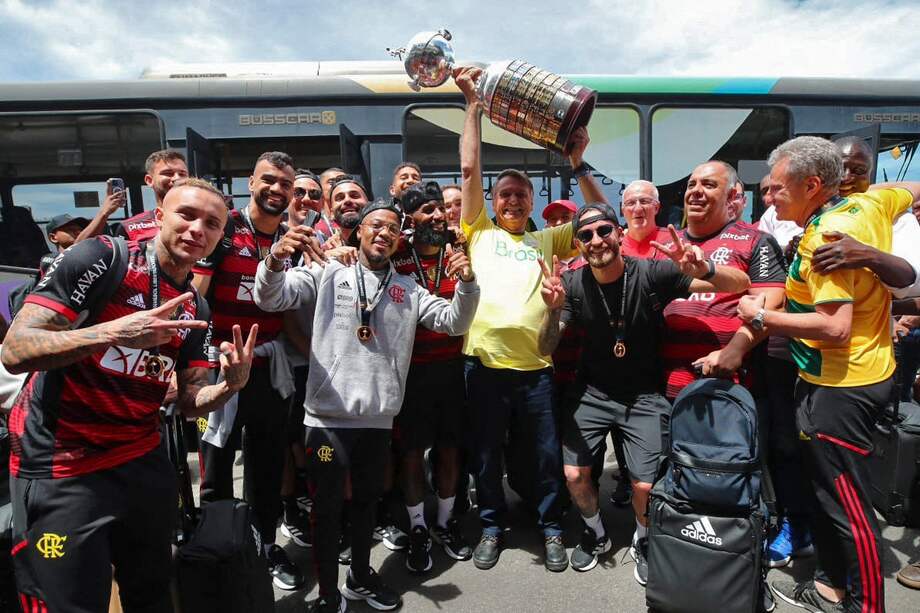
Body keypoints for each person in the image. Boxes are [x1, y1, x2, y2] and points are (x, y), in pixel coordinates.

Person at [2, 178, 256, 612]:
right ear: (159, 216)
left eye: (212, 224)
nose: (198, 229)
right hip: (62, 463)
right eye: (187, 215)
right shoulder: (102, 258)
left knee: (153, 593)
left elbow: (189, 399)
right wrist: (115, 331)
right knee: (70, 602)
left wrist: (230, 385)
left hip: (141, 459)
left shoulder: (195, 306)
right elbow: (15, 349)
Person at [253, 198, 479, 613]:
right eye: (376, 225)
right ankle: (327, 594)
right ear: (359, 231)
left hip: (377, 420)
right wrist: (274, 259)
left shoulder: (408, 289)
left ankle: (359, 576)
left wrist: (466, 283)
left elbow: (455, 323)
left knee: (366, 506)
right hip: (326, 419)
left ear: (399, 239)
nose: (384, 233)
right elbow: (270, 299)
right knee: (326, 509)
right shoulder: (327, 270)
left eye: (393, 229)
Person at [738, 135, 920, 613]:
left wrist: (759, 317)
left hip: (841, 386)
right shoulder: (873, 200)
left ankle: (866, 605)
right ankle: (831, 587)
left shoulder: (826, 237)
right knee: (828, 494)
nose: (768, 197)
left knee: (848, 507)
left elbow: (834, 326)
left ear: (814, 185)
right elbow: (913, 190)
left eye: (776, 189)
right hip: (860, 374)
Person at [537, 204, 749, 580]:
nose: (596, 240)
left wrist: (705, 269)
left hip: (644, 395)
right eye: (585, 235)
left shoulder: (652, 272)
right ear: (580, 245)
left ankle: (644, 537)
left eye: (603, 230)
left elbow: (739, 284)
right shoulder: (570, 283)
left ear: (619, 233)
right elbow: (545, 347)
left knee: (645, 484)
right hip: (592, 393)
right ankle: (596, 532)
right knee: (573, 475)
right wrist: (552, 311)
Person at [453, 65, 590, 572]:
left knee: (545, 457)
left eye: (520, 194)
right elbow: (468, 169)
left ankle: (552, 528)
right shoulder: (479, 232)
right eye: (504, 193)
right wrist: (472, 106)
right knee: (487, 456)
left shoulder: (546, 239)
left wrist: (577, 165)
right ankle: (491, 525)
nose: (512, 199)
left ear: (532, 202)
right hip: (483, 368)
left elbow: (602, 221)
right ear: (492, 203)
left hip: (536, 370)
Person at [192, 151, 313, 591]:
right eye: (270, 180)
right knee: (216, 466)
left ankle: (261, 547)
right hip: (220, 368)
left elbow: (294, 312)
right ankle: (219, 551)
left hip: (269, 368)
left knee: (266, 466)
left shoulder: (292, 240)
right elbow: (194, 301)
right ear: (250, 181)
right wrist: (206, 359)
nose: (278, 190)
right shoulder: (223, 233)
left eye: (286, 184)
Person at [390, 182, 473, 573]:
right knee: (410, 453)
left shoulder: (459, 252)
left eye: (440, 208)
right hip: (409, 373)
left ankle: (444, 521)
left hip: (452, 369)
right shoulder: (395, 254)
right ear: (409, 219)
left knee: (450, 449)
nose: (438, 215)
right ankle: (418, 526)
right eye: (426, 210)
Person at [659, 160, 787, 399]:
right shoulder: (665, 244)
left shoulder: (755, 240)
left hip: (729, 388)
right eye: (691, 184)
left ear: (730, 197)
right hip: (663, 391)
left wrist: (734, 350)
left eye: (708, 184)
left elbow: (773, 305)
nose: (696, 191)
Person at [111, 150, 190, 241]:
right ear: (149, 180)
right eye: (168, 173)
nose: (177, 178)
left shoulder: (204, 219)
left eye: (182, 174)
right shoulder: (129, 228)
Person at [619, 181, 670, 259]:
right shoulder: (615, 246)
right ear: (623, 211)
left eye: (644, 202)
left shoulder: (673, 241)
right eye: (631, 203)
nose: (638, 209)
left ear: (656, 208)